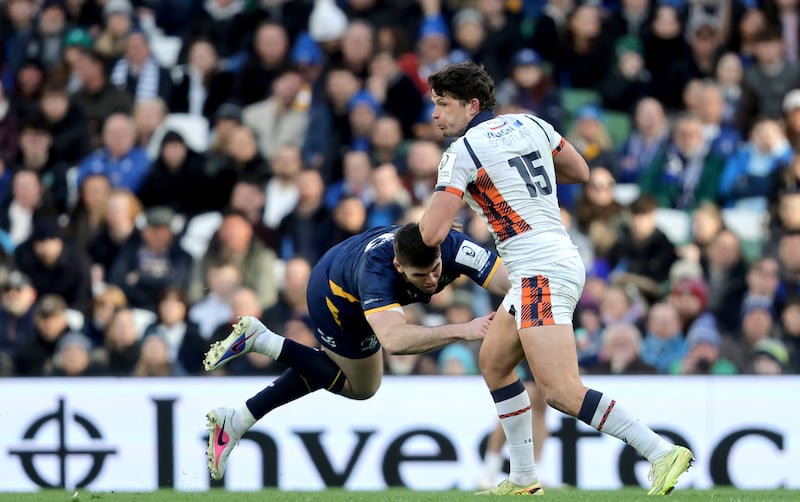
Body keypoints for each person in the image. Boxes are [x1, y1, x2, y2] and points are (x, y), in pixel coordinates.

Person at [417, 61, 694, 496]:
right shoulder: (530, 123)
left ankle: (659, 451)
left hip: (538, 270)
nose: (435, 114)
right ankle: (523, 478)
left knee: (561, 391)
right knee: (494, 363)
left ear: (471, 105)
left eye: (443, 104)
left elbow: (432, 234)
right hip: (550, 260)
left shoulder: (462, 152)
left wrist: (441, 208)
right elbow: (580, 171)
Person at [202, 222, 508, 480]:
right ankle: (261, 345)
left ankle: (241, 412)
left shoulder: (451, 244)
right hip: (335, 295)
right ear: (399, 265)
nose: (431, 281)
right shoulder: (377, 274)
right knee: (362, 387)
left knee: (333, 372)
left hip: (351, 264)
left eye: (435, 270)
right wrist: (462, 330)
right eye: (419, 276)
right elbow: (395, 341)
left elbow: (509, 281)